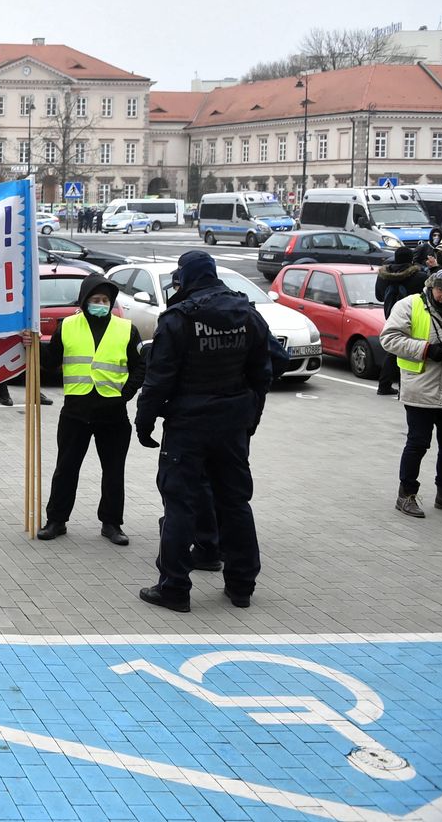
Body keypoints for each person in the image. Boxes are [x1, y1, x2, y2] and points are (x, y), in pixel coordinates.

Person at [134, 250, 271, 612]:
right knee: (236, 502)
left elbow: (158, 379)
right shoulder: (248, 314)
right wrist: (251, 418)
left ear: (186, 277)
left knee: (179, 503)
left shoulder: (179, 319)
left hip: (188, 426)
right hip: (232, 425)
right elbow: (263, 371)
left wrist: (144, 421)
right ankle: (241, 585)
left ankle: (174, 587)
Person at [33, 274, 146, 545]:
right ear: (84, 302)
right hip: (76, 411)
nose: (101, 304)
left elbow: (141, 365)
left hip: (113, 411)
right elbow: (50, 362)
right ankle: (56, 521)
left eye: (105, 300)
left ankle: (111, 523)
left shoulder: (126, 329)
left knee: (113, 470)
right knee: (66, 468)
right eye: (95, 300)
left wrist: (125, 394)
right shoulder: (67, 326)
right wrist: (33, 344)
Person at [377, 268, 442, 518]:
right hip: (420, 389)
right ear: (430, 286)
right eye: (439, 290)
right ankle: (406, 494)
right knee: (418, 444)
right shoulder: (410, 305)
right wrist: (426, 350)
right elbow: (389, 338)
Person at [375, 247, 426, 397]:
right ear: (411, 260)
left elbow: (379, 296)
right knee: (408, 351)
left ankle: (384, 385)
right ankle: (403, 388)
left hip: (390, 315)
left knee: (392, 349)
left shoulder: (383, 276)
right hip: (412, 315)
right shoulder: (419, 276)